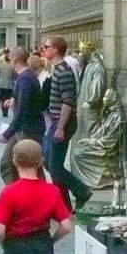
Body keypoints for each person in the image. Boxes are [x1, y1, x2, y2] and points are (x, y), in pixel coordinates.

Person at [0, 139, 74, 254]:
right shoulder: (52, 191)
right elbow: (66, 226)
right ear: (41, 162)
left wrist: (6, 246)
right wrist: (51, 241)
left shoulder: (9, 192)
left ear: (14, 162)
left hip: (17, 250)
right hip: (42, 246)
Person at [40, 36, 90, 211]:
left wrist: (60, 128)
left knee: (54, 167)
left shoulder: (64, 71)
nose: (43, 49)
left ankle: (81, 192)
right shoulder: (57, 70)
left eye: (46, 47)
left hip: (63, 123)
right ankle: (69, 201)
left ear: (55, 50)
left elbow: (68, 102)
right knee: (49, 163)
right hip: (56, 122)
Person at [0, 46, 45, 185]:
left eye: (10, 59)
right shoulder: (26, 77)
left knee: (33, 166)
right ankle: (17, 193)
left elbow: (23, 110)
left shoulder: (25, 78)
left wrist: (7, 133)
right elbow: (28, 101)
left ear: (15, 60)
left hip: (28, 129)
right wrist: (14, 101)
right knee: (7, 163)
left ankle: (42, 197)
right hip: (22, 129)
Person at [0, 51, 15, 115]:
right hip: (9, 84)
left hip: (1, 84)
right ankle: (5, 111)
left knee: (3, 98)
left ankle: (3, 110)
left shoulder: (1, 66)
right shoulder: (12, 66)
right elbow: (14, 75)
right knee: (7, 98)